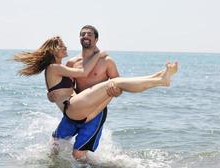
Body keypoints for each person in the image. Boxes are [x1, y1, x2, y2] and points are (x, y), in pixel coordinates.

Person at [13, 29, 178, 160]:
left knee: (59, 146)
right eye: (62, 46)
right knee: (115, 82)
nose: (65, 48)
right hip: (73, 108)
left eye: (89, 34)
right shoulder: (56, 67)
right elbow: (83, 72)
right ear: (53, 50)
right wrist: (99, 54)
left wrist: (52, 93)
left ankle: (160, 76)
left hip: (81, 109)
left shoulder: (59, 68)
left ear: (96, 39)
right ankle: (160, 79)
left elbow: (64, 87)